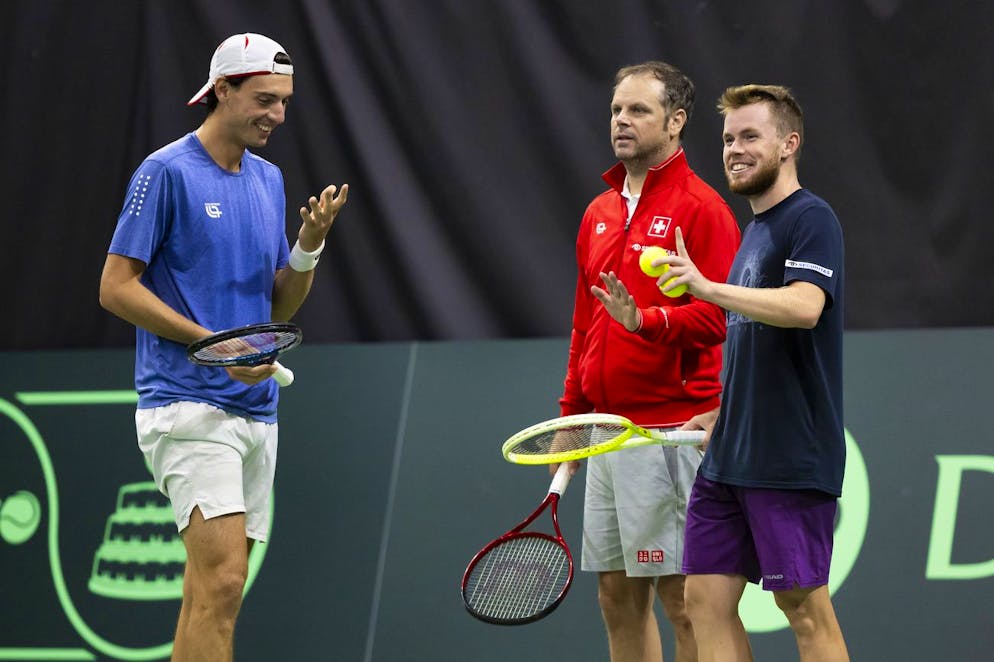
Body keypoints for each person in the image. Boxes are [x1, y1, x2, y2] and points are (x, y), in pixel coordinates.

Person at [98, 33, 348, 661]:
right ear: (223, 92)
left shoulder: (268, 179)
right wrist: (212, 344)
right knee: (225, 579)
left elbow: (275, 307)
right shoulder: (165, 171)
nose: (278, 115)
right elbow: (115, 288)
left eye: (285, 102)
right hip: (185, 405)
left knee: (210, 591)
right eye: (264, 99)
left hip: (255, 411)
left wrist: (309, 244)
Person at [556, 61, 740, 662]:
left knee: (682, 601)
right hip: (609, 432)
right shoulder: (598, 213)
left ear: (676, 121)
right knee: (616, 597)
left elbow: (723, 320)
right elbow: (586, 325)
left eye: (638, 110)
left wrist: (649, 321)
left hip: (672, 430)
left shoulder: (702, 209)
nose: (622, 121)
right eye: (616, 110)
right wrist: (572, 418)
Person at [665, 84, 849, 661]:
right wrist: (726, 411)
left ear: (788, 144)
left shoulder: (811, 218)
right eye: (727, 139)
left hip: (789, 457)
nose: (734, 150)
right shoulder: (754, 232)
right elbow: (758, 344)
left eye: (750, 136)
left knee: (804, 611)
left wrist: (706, 287)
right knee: (703, 601)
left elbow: (803, 308)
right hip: (730, 459)